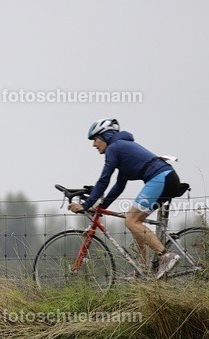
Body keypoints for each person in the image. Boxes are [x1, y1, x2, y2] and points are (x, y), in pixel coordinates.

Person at [68, 118, 182, 279]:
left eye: (95, 139)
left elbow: (104, 180)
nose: (94, 144)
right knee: (134, 221)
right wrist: (101, 206)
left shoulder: (114, 148)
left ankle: (165, 256)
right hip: (166, 177)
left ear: (106, 136)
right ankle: (144, 266)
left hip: (160, 178)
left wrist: (86, 205)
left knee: (131, 221)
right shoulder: (121, 148)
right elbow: (119, 185)